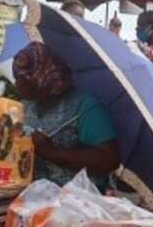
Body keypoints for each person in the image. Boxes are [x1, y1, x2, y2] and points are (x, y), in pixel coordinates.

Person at [13, 42, 120, 189]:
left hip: (74, 202)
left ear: (40, 78)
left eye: (21, 79)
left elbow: (109, 159)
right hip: (32, 197)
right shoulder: (28, 104)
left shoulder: (84, 107)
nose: (16, 84)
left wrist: (52, 152)